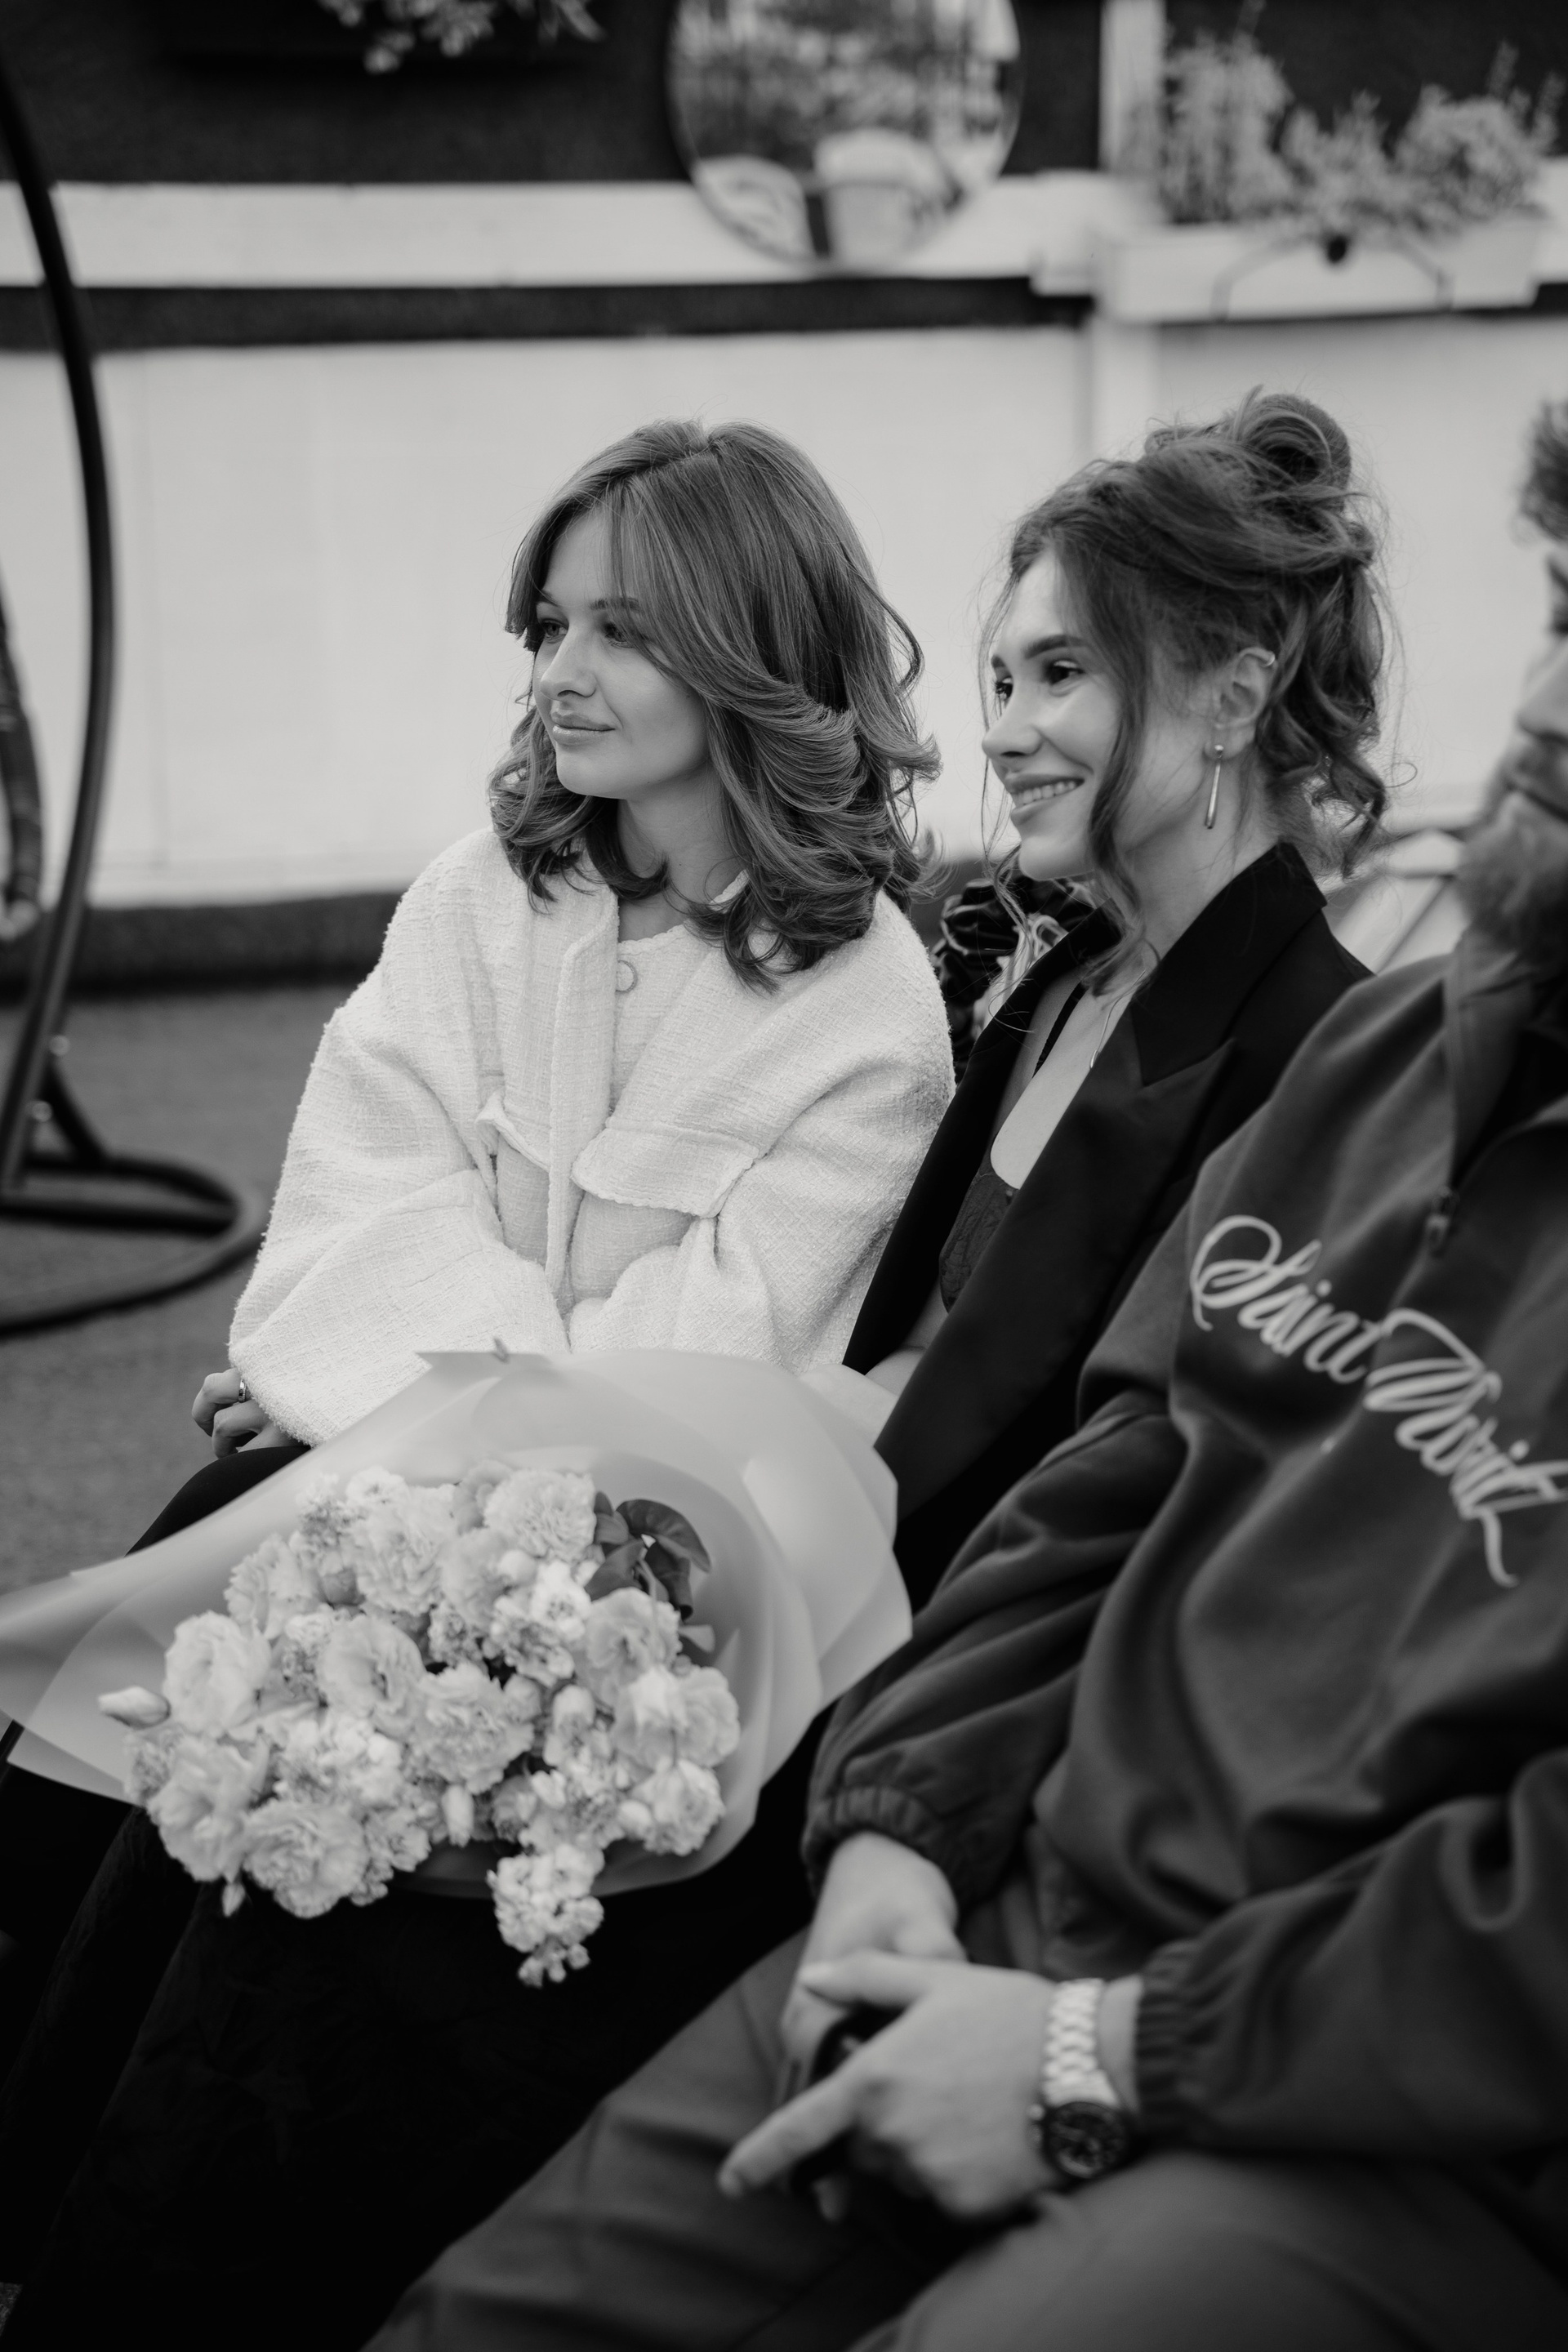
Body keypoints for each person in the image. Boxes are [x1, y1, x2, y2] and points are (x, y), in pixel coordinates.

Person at [366, 399, 1568, 2352]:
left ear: (1238, 694)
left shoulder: (1293, 1027)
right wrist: (897, 1836)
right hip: (997, 1846)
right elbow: (1097, 1484)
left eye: (1063, 673)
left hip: (1343, 2084)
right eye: (1567, 607)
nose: (1553, 704)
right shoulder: (1326, 1052)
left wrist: (1097, 2049)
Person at [0, 417, 951, 2310]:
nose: (561, 673)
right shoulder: (485, 894)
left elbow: (687, 1390)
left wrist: (374, 1388)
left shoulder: (864, 1019)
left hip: (635, 1583)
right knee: (151, 1622)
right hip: (412, 1482)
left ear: (751, 652)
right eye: (549, 627)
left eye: (622, 631)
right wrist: (377, 1385)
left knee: (248, 1639)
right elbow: (362, 1196)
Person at [808, 387, 1382, 1603]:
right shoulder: (1061, 981)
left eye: (1061, 672)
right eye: (1003, 682)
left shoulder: (1328, 1063)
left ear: (1233, 700)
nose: (1005, 733)